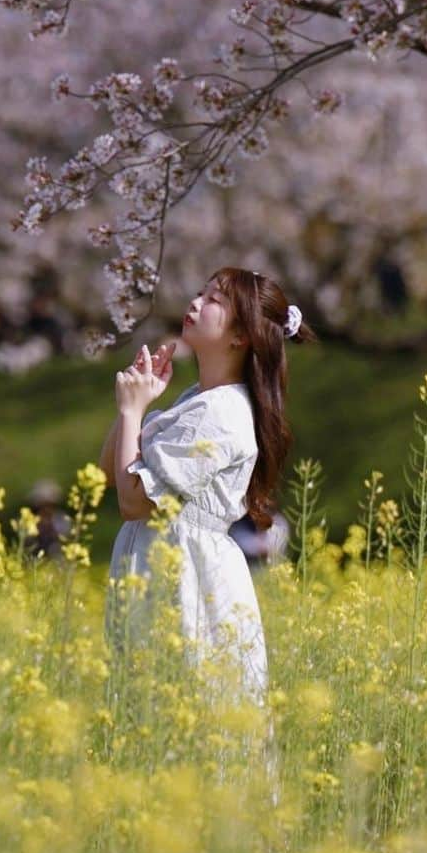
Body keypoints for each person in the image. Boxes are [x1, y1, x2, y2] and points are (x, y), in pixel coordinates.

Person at [101, 266, 314, 712]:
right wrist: (133, 411)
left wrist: (135, 410)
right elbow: (112, 473)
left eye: (215, 300)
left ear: (241, 336)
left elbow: (132, 502)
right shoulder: (196, 400)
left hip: (186, 576)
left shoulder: (218, 413)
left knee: (184, 712)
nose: (196, 303)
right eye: (201, 293)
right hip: (170, 565)